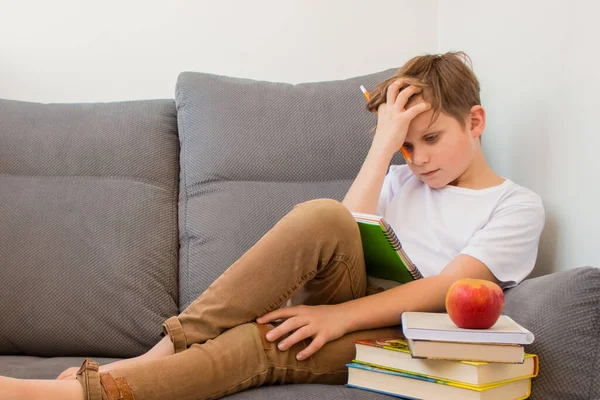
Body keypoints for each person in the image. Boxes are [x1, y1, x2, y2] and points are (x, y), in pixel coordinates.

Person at [1, 51, 545, 400]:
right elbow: (342, 230)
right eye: (408, 143)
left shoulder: (516, 206)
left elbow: (449, 287)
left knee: (264, 343)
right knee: (322, 215)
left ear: (475, 122)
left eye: (431, 139)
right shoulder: (400, 178)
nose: (418, 158)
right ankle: (168, 346)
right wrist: (385, 143)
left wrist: (334, 318)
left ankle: (72, 396)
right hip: (347, 297)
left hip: (407, 333)